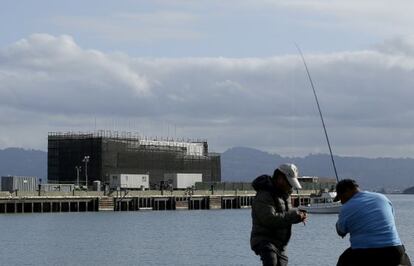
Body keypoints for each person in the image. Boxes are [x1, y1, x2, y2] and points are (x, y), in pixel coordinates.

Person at [334, 179, 411, 266]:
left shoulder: (346, 207)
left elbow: (341, 232)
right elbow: (391, 219)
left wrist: (340, 220)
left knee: (343, 260)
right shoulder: (382, 198)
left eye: (340, 198)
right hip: (395, 251)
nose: (341, 202)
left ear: (347, 191)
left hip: (366, 253)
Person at [250, 163, 307, 266]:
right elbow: (269, 219)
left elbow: (285, 213)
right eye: (289, 182)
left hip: (280, 244)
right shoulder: (264, 194)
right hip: (264, 240)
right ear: (280, 178)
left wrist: (298, 216)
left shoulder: (286, 194)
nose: (290, 186)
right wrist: (293, 217)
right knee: (271, 261)